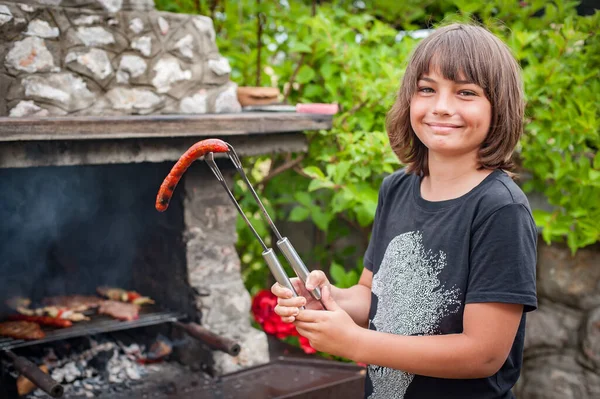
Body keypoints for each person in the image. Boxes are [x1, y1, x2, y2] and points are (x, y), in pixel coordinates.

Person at [271, 23, 537, 399]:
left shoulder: (500, 210)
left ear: (499, 107)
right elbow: (372, 296)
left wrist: (356, 343)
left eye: (466, 93)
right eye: (427, 89)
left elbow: (484, 354)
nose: (442, 108)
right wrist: (329, 298)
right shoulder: (396, 188)